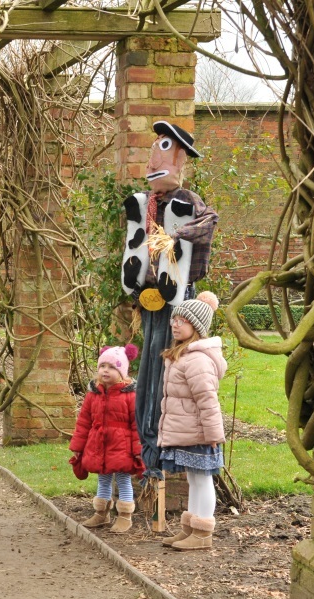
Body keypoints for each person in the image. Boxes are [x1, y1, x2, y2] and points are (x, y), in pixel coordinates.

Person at [120, 121, 218, 479]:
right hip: (148, 303)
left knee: (166, 373)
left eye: (160, 155)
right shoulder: (146, 204)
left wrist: (175, 236)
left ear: (180, 163)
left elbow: (210, 220)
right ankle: (146, 451)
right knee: (146, 372)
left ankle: (159, 454)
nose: (150, 167)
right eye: (150, 157)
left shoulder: (187, 201)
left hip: (175, 302)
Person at [157, 292, 226, 551]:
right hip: (189, 431)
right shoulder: (182, 355)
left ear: (196, 326)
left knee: (202, 478)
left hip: (200, 433)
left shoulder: (197, 360)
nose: (175, 324)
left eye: (182, 320)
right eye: (174, 319)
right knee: (193, 479)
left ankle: (203, 532)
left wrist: (213, 435)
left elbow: (207, 400)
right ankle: (190, 529)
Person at [68, 345, 146, 534]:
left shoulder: (130, 395)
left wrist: (138, 450)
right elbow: (84, 421)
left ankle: (125, 516)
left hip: (121, 446)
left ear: (121, 372)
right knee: (103, 479)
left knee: (122, 479)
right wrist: (78, 446)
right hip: (99, 445)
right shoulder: (93, 393)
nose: (105, 370)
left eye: (111, 367)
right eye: (102, 365)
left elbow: (136, 425)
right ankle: (101, 513)